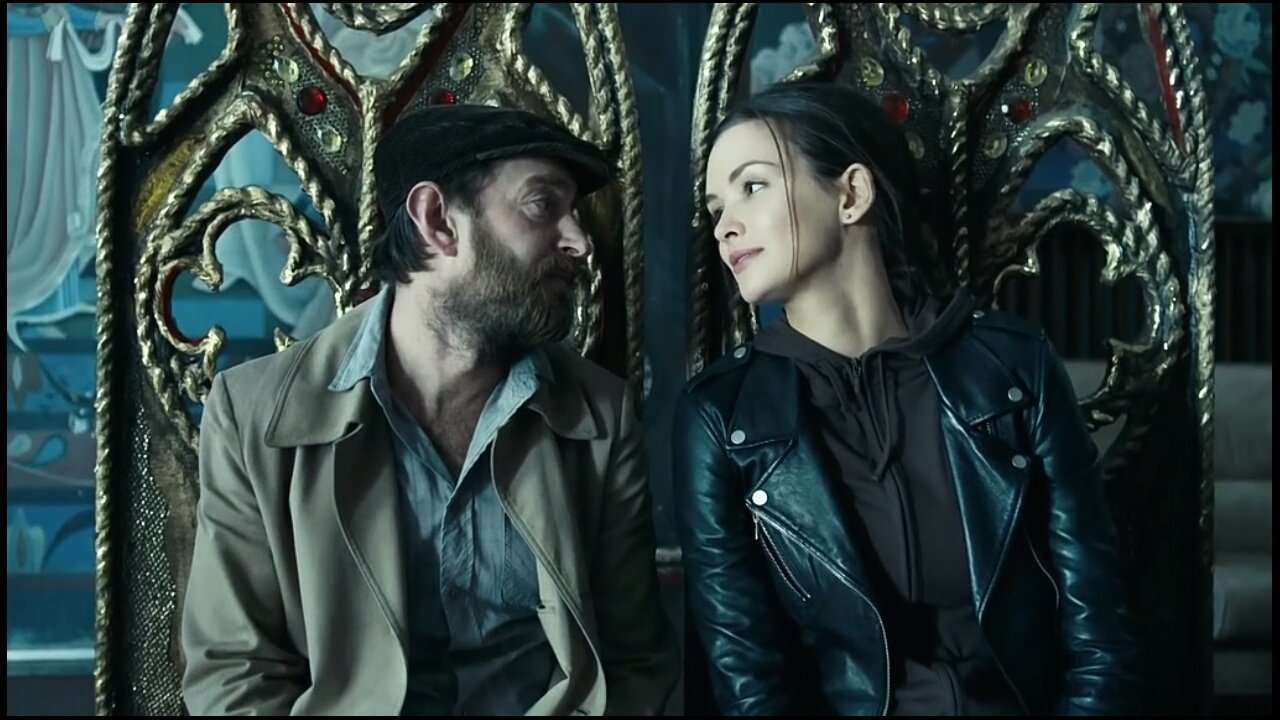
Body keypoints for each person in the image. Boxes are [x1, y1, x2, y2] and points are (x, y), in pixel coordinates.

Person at [182, 104, 679, 716]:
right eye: (542, 205)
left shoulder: (602, 418)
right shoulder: (253, 415)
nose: (578, 240)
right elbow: (234, 672)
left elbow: (632, 663)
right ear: (438, 221)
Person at [675, 80, 1139, 715]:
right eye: (715, 208)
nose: (726, 227)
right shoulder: (722, 416)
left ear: (851, 195)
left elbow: (1099, 637)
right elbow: (748, 680)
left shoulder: (1011, 369)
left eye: (752, 186)